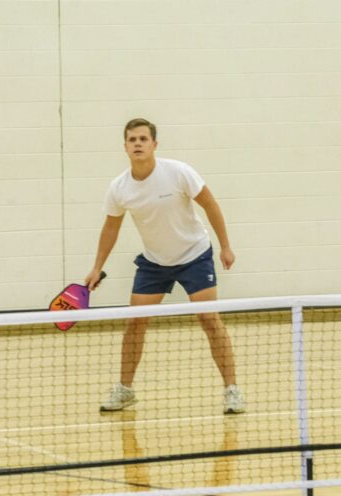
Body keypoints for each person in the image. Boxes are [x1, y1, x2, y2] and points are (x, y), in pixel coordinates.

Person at [84, 118, 245, 414]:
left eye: (143, 139)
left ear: (154, 144)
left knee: (209, 320)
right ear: (125, 147)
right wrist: (97, 267)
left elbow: (210, 205)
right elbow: (110, 228)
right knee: (135, 321)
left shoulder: (178, 172)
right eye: (132, 140)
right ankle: (125, 390)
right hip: (155, 262)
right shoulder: (119, 188)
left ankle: (232, 390)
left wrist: (225, 245)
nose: (138, 144)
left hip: (194, 254)